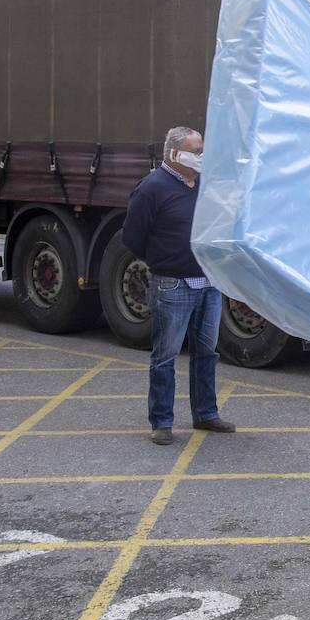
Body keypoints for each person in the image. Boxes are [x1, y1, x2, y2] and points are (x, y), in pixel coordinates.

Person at [123, 126, 235, 446]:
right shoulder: (152, 188)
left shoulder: (200, 186)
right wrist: (165, 261)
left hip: (208, 284)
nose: (201, 157)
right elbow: (133, 238)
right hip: (173, 285)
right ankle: (162, 421)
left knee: (206, 352)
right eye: (195, 152)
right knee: (166, 355)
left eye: (202, 150)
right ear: (175, 154)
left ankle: (205, 414)